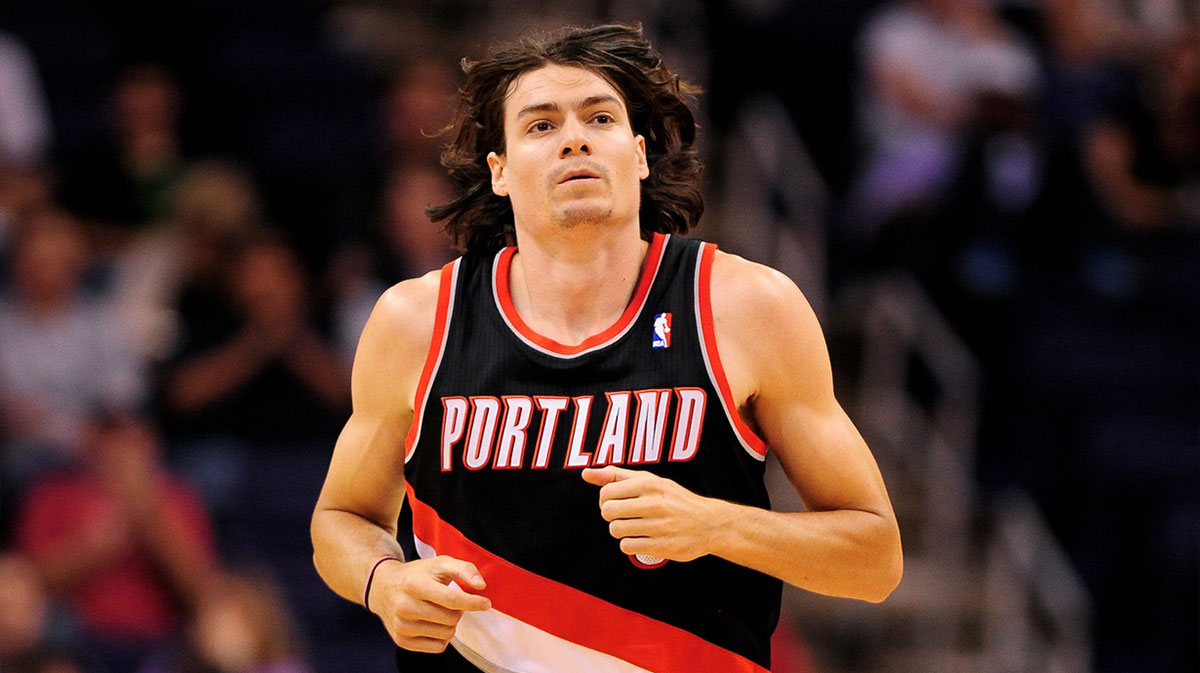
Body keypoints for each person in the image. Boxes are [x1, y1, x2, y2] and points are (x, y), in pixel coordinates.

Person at [311, 22, 902, 673]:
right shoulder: (417, 321)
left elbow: (874, 557)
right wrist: (383, 581)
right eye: (541, 125)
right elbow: (341, 516)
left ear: (641, 155)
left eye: (600, 116)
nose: (574, 137)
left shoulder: (746, 308)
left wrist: (716, 525)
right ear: (500, 172)